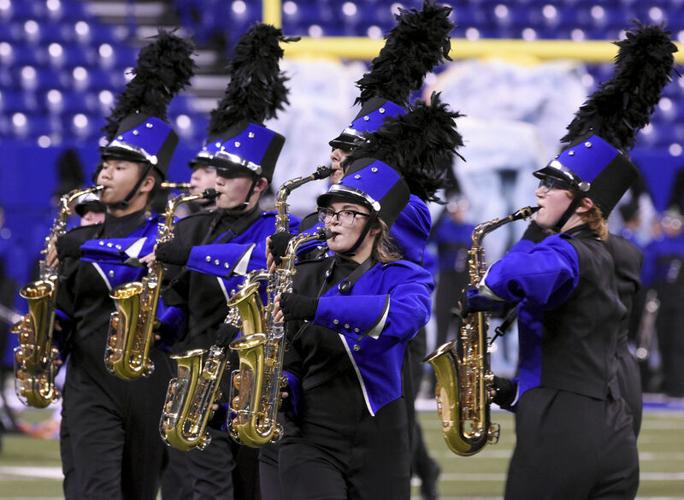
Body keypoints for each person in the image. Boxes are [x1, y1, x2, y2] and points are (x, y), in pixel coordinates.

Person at [467, 23, 675, 499]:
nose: (538, 190)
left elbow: (514, 274)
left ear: (584, 204)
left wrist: (489, 288)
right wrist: (511, 391)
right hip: (612, 419)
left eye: (551, 185)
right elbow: (572, 351)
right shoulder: (614, 251)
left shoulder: (564, 251)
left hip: (565, 431)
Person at [152, 24, 296, 500]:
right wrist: (162, 323)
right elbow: (176, 299)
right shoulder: (192, 225)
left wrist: (188, 256)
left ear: (258, 187)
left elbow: (253, 265)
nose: (218, 183)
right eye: (219, 172)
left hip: (251, 378)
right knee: (202, 483)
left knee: (250, 484)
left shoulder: (274, 232)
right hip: (199, 372)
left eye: (231, 176)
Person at [52, 32, 194, 500]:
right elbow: (62, 311)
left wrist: (162, 322)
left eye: (120, 165)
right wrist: (45, 344)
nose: (105, 174)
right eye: (106, 163)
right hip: (89, 386)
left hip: (151, 387)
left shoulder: (170, 242)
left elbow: (180, 313)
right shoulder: (76, 239)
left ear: (149, 180)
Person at [273, 155, 434, 500]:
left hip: (381, 438)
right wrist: (283, 384)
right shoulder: (306, 274)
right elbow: (290, 355)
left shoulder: (404, 276)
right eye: (331, 213)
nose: (334, 222)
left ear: (375, 226)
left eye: (348, 213)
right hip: (309, 435)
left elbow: (405, 316)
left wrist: (316, 308)